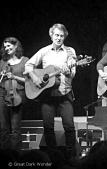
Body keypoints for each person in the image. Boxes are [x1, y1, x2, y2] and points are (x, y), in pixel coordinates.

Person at [24, 23, 77, 159]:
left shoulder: (70, 51)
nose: (59, 38)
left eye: (61, 36)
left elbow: (73, 74)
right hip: (47, 95)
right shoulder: (44, 51)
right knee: (48, 128)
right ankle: (53, 157)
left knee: (69, 127)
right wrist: (35, 78)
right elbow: (28, 65)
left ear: (65, 37)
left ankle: (71, 157)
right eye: (56, 35)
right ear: (51, 35)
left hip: (64, 93)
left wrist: (68, 71)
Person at [0, 37, 29, 150]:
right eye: (5, 46)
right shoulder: (3, 62)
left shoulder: (25, 61)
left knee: (15, 127)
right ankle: (4, 155)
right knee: (3, 127)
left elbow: (29, 80)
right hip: (2, 93)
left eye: (9, 46)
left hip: (18, 94)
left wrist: (14, 77)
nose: (6, 48)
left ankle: (15, 155)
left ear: (16, 46)